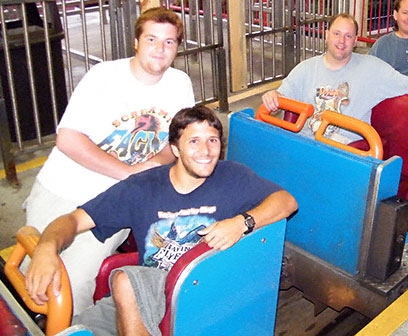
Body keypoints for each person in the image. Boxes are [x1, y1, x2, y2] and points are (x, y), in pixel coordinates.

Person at [23, 105, 298, 336]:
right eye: (194, 141)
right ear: (175, 149)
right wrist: (47, 247)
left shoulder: (233, 176)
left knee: (124, 281)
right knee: (74, 329)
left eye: (212, 140)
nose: (205, 150)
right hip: (148, 290)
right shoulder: (141, 188)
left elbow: (286, 202)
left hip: (200, 289)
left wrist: (241, 223)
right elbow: (73, 220)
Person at [23, 7, 195, 314]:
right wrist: (128, 172)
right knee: (32, 273)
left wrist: (155, 163)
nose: (160, 49)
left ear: (177, 48)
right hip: (65, 185)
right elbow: (68, 139)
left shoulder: (179, 83)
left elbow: (178, 140)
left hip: (113, 201)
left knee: (71, 283)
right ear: (136, 42)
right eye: (152, 39)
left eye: (169, 42)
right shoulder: (103, 77)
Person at [262, 13, 408, 145]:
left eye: (348, 36)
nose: (341, 41)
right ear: (326, 35)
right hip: (308, 141)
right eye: (337, 34)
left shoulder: (372, 68)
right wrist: (272, 97)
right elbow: (280, 98)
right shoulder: (306, 68)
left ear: (355, 40)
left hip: (345, 146)